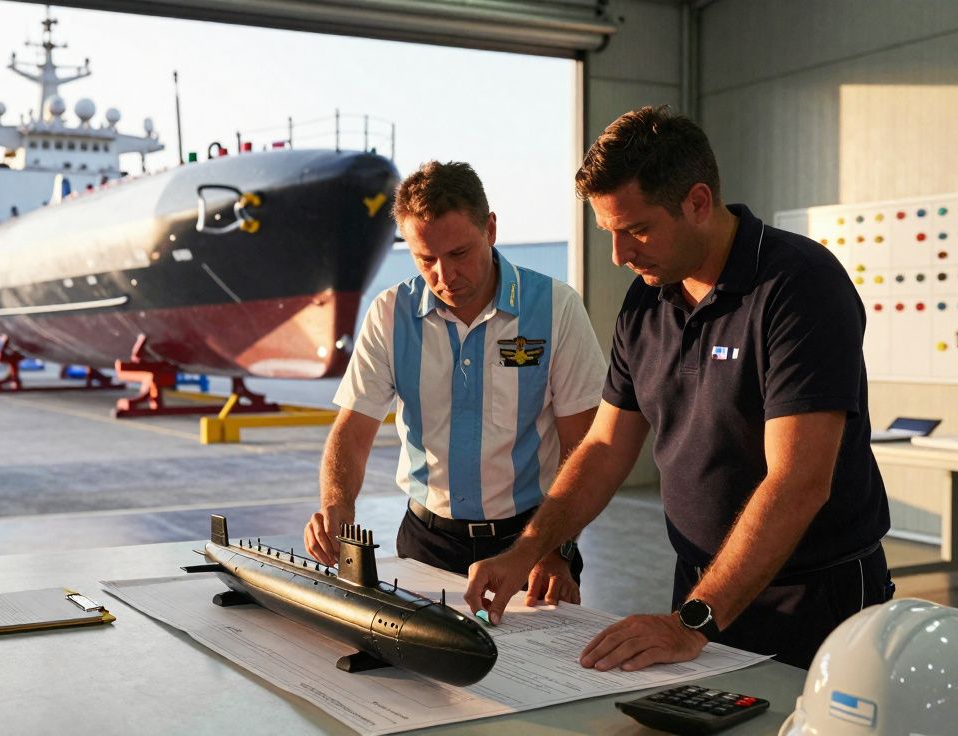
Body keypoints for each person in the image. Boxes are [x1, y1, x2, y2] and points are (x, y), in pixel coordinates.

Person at [464, 106, 894, 670]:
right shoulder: (647, 299)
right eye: (609, 233)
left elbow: (798, 482)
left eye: (636, 229)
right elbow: (603, 448)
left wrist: (693, 622)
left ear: (697, 202)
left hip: (815, 601)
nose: (619, 255)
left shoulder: (798, 286)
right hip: (700, 592)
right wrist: (528, 549)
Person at [303, 160, 606, 605]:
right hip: (425, 544)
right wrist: (337, 506)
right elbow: (352, 430)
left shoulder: (556, 308)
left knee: (531, 674)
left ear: (490, 229)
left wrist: (554, 548)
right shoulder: (390, 314)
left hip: (532, 539)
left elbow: (584, 445)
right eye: (426, 259)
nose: (445, 277)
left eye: (459, 254)